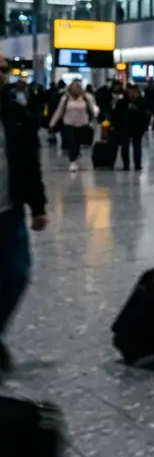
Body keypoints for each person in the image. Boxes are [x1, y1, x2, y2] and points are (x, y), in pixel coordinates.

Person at [0, 54, 49, 372]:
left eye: (3, 70)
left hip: (8, 209)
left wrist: (38, 206)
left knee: (17, 273)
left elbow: (30, 165)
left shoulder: (16, 114)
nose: (1, 75)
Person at [48, 80, 98, 172]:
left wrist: (96, 114)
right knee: (72, 142)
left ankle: (75, 156)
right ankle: (72, 161)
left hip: (82, 124)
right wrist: (52, 124)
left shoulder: (86, 98)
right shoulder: (65, 98)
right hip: (68, 124)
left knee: (77, 143)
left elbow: (93, 108)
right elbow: (59, 111)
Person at [111, 84, 151, 172]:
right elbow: (115, 114)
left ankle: (137, 164)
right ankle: (126, 164)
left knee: (137, 146)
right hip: (124, 128)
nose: (132, 94)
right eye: (130, 92)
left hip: (137, 128)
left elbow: (146, 115)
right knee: (125, 147)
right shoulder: (122, 102)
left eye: (134, 92)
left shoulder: (142, 102)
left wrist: (144, 126)